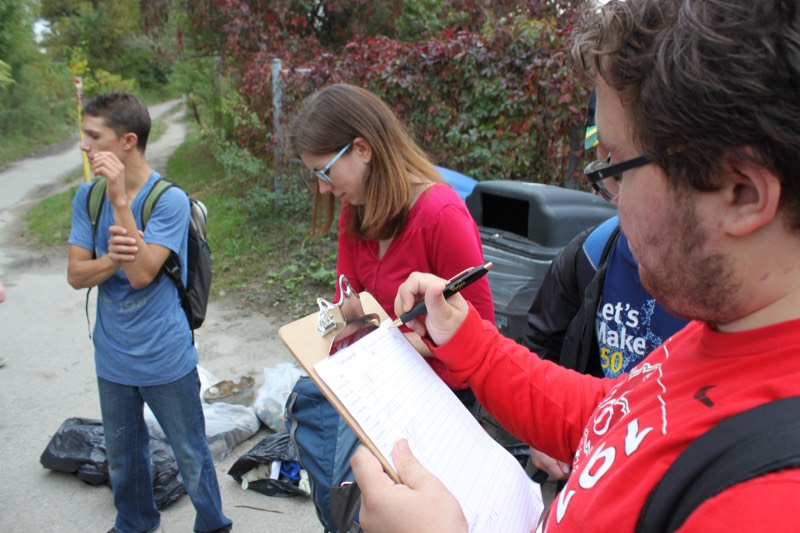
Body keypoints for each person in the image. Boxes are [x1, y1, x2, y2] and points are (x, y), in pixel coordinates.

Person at [351, 0, 800, 530]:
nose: (609, 196)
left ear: (742, 193)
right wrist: (469, 341)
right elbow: (612, 416)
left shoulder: (767, 499)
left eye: (618, 167)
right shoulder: (728, 323)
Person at [67, 93, 232, 533]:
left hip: (165, 354)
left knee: (190, 452)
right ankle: (135, 524)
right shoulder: (87, 198)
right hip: (113, 356)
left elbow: (142, 275)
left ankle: (214, 525)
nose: (83, 145)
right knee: (123, 458)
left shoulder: (168, 201)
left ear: (127, 141)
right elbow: (77, 274)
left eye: (93, 135)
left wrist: (121, 201)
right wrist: (110, 261)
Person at [289, 83, 495, 409]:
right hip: (382, 383)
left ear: (362, 149)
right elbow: (350, 304)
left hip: (441, 397)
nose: (322, 189)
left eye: (324, 172)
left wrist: (388, 341)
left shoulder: (441, 215)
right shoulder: (355, 211)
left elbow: (482, 335)